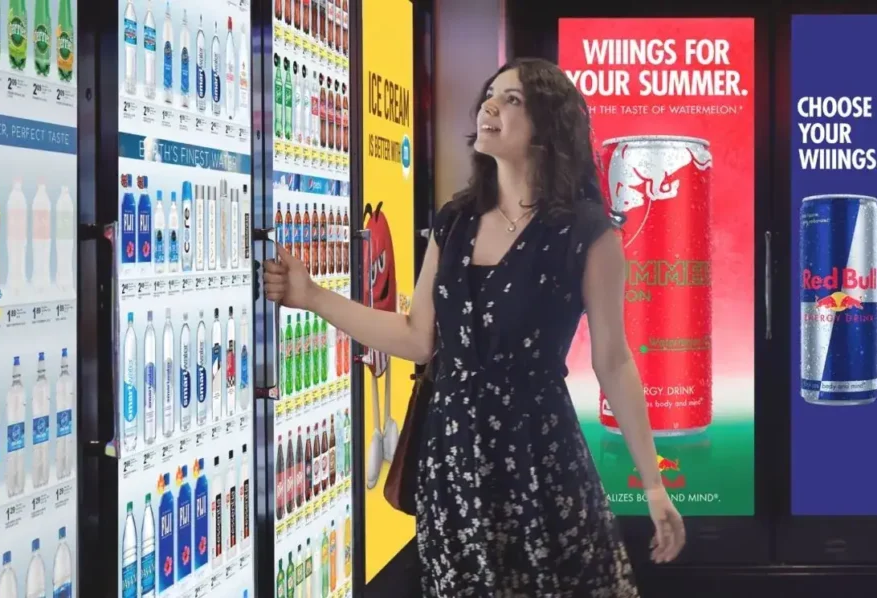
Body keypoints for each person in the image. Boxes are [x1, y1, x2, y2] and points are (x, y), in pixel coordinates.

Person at [264, 57, 686, 597]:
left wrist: (653, 483)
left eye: (512, 100)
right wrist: (312, 297)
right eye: (490, 95)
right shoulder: (455, 221)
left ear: (549, 125)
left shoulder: (586, 232)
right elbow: (417, 336)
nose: (490, 106)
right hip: (453, 462)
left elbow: (613, 360)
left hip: (539, 458)